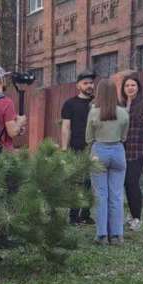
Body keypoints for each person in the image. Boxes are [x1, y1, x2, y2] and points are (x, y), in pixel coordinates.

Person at [86, 79, 129, 245]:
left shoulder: (93, 112)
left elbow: (88, 137)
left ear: (99, 93)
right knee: (117, 195)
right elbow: (124, 136)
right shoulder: (124, 112)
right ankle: (117, 235)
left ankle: (102, 235)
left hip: (99, 151)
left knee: (100, 195)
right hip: (118, 151)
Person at [120, 73, 143, 232]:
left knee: (131, 182)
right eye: (127, 85)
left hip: (138, 149)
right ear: (123, 88)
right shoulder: (121, 105)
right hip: (121, 149)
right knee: (124, 183)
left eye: (133, 85)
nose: (130, 88)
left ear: (138, 87)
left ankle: (137, 218)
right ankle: (131, 214)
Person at [61, 69, 97, 225]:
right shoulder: (70, 104)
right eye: (85, 83)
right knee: (77, 183)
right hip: (77, 148)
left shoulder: (97, 103)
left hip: (95, 148)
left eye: (91, 83)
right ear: (78, 86)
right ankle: (73, 216)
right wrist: (64, 149)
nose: (89, 86)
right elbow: (65, 127)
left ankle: (86, 214)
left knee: (91, 183)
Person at [0, 66, 27, 168]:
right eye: (5, 78)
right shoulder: (6, 102)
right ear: (0, 80)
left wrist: (18, 129)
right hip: (3, 156)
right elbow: (12, 132)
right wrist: (20, 122)